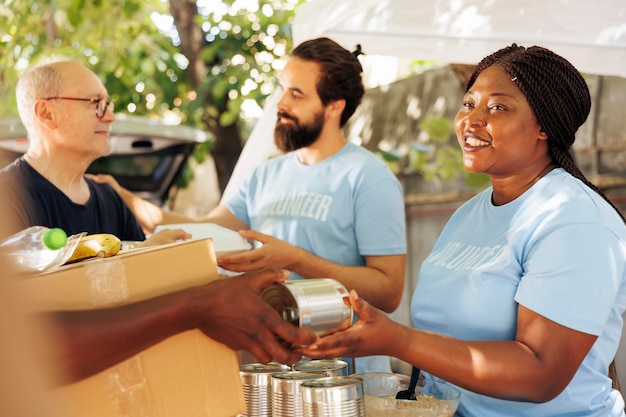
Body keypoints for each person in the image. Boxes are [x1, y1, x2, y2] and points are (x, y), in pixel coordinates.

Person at [300, 44, 626, 416]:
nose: (471, 120)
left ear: (544, 126)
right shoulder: (469, 214)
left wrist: (397, 340)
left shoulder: (574, 220)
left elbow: (541, 372)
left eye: (498, 107)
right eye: (469, 104)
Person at [93, 37, 408, 372]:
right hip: (274, 370)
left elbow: (388, 292)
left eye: (296, 94)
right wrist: (125, 198)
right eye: (282, 89)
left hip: (346, 378)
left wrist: (296, 258)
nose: (280, 103)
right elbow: (203, 228)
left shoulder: (369, 177)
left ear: (334, 106)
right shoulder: (265, 175)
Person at [0, 59, 188, 246]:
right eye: (96, 103)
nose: (110, 117)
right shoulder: (7, 197)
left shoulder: (110, 198)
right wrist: (144, 255)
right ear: (46, 113)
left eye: (108, 104)